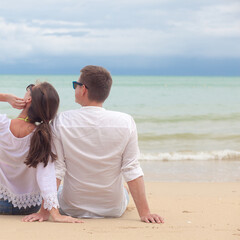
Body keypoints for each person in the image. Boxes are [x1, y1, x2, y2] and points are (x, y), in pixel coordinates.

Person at [24, 65, 164, 223]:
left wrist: (44, 212)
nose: (75, 88)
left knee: (59, 190)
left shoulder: (61, 121)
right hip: (113, 209)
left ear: (83, 89)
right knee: (124, 189)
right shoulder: (126, 122)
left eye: (75, 85)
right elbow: (131, 169)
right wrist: (145, 213)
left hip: (71, 207)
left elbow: (57, 169)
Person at [0, 82, 81, 223]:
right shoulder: (43, 135)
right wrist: (53, 213)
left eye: (29, 89)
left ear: (28, 99)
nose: (27, 90)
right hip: (31, 207)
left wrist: (6, 97)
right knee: (59, 187)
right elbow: (46, 175)